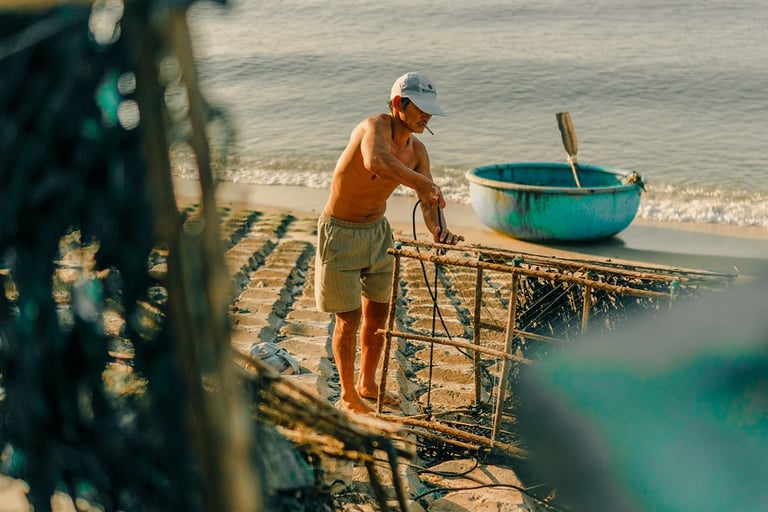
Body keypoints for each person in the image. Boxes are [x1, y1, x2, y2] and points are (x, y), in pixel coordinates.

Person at [314, 71, 464, 414]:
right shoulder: (374, 127)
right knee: (348, 321)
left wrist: (440, 231)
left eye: (430, 110)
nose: (426, 116)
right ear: (399, 104)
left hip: (378, 233)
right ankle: (349, 395)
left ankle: (368, 382)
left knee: (379, 316)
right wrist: (421, 184)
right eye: (420, 109)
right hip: (340, 231)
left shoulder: (418, 151)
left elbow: (429, 202)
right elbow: (375, 162)